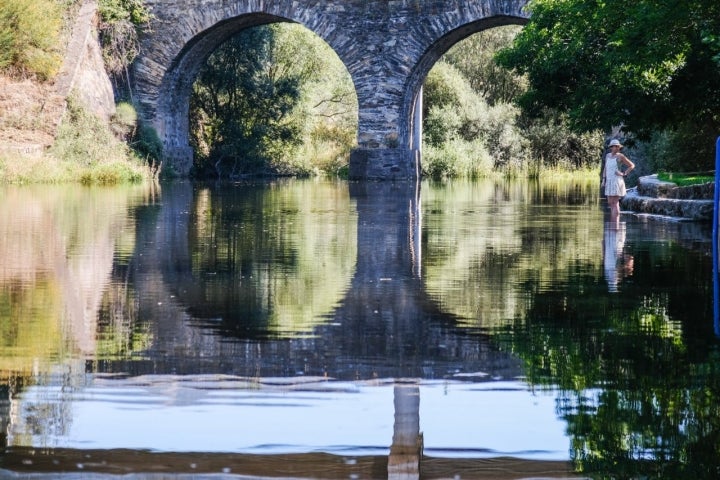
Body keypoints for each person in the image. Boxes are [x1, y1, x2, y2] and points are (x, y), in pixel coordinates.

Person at [601, 139, 635, 221]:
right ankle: (614, 222)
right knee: (610, 202)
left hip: (617, 181)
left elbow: (632, 165)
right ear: (611, 147)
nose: (616, 148)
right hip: (609, 181)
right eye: (614, 146)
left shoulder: (621, 156)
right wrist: (603, 180)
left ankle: (615, 225)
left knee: (615, 202)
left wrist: (624, 174)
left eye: (617, 146)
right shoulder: (608, 156)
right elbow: (605, 168)